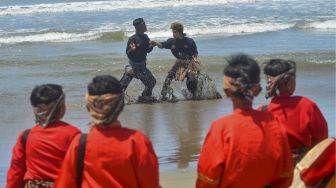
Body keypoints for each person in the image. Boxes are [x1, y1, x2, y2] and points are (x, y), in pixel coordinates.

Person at [196, 54, 293, 188]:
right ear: (257, 89)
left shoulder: (221, 128)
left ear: (227, 90)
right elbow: (286, 175)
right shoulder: (274, 123)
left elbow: (207, 180)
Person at [55, 75, 159, 188]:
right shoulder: (137, 141)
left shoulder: (79, 144)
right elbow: (150, 184)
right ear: (121, 105)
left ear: (89, 107)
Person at [6, 84, 80, 188]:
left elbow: (16, 173)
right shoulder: (72, 134)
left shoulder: (26, 136)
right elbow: (80, 170)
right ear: (60, 108)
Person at [260, 59, 328, 163]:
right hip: (301, 167)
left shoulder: (262, 112)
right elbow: (322, 139)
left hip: (273, 168)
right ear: (289, 83)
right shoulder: (306, 105)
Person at [153, 22, 199, 100]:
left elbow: (195, 53)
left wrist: (194, 59)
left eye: (174, 31)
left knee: (191, 81)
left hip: (190, 63)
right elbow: (162, 45)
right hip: (179, 62)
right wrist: (155, 43)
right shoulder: (171, 42)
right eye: (172, 31)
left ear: (179, 31)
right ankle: (163, 95)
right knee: (169, 77)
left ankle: (193, 95)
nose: (173, 33)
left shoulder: (189, 41)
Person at [120, 18, 157, 102]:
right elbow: (128, 53)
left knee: (151, 82)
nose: (146, 26)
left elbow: (148, 50)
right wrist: (132, 49)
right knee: (122, 86)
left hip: (142, 67)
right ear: (139, 27)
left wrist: (152, 45)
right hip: (133, 66)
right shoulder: (133, 39)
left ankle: (144, 97)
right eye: (144, 24)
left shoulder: (145, 37)